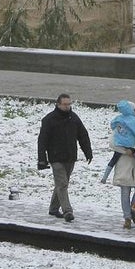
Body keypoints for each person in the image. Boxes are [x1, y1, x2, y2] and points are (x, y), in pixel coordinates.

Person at [36, 93, 93, 222]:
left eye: (69, 104)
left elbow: (83, 136)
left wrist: (88, 152)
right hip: (55, 157)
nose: (67, 107)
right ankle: (67, 211)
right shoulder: (49, 120)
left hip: (70, 156)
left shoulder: (74, 118)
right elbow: (42, 141)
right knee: (62, 184)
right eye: (65, 104)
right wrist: (41, 159)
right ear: (58, 104)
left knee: (61, 184)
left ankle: (53, 208)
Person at [106, 100, 135, 229]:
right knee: (125, 192)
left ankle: (134, 210)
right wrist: (125, 150)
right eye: (134, 112)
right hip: (123, 164)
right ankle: (127, 218)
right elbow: (113, 144)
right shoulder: (120, 125)